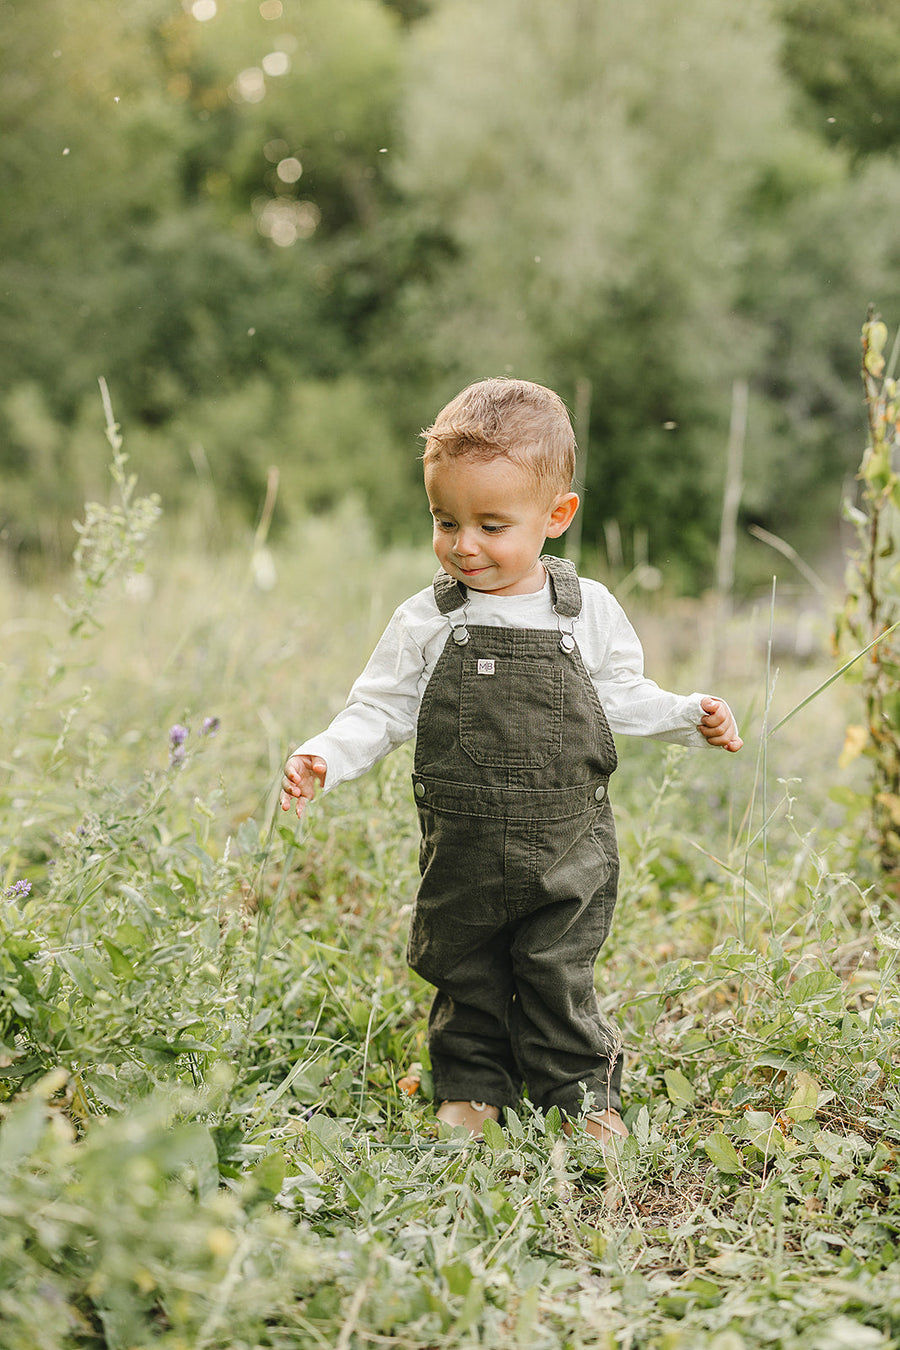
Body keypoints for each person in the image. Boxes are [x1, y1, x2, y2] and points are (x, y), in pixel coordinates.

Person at [281, 378, 742, 1150]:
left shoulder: (585, 610)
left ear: (556, 516)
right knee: (466, 967)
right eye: (445, 521)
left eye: (492, 525)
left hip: (567, 840)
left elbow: (621, 697)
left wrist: (687, 715)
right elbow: (382, 707)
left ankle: (581, 1092)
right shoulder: (428, 618)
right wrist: (326, 753)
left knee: (557, 968)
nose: (465, 544)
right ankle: (472, 1084)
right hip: (463, 840)